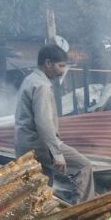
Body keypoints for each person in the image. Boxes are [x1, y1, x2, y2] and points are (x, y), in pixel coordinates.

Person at [15, 45, 95, 203]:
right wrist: (57, 154)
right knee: (83, 166)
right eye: (61, 66)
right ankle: (83, 209)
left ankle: (41, 214)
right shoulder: (42, 86)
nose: (63, 71)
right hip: (39, 144)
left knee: (42, 187)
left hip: (25, 144)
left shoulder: (30, 80)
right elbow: (43, 123)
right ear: (48, 63)